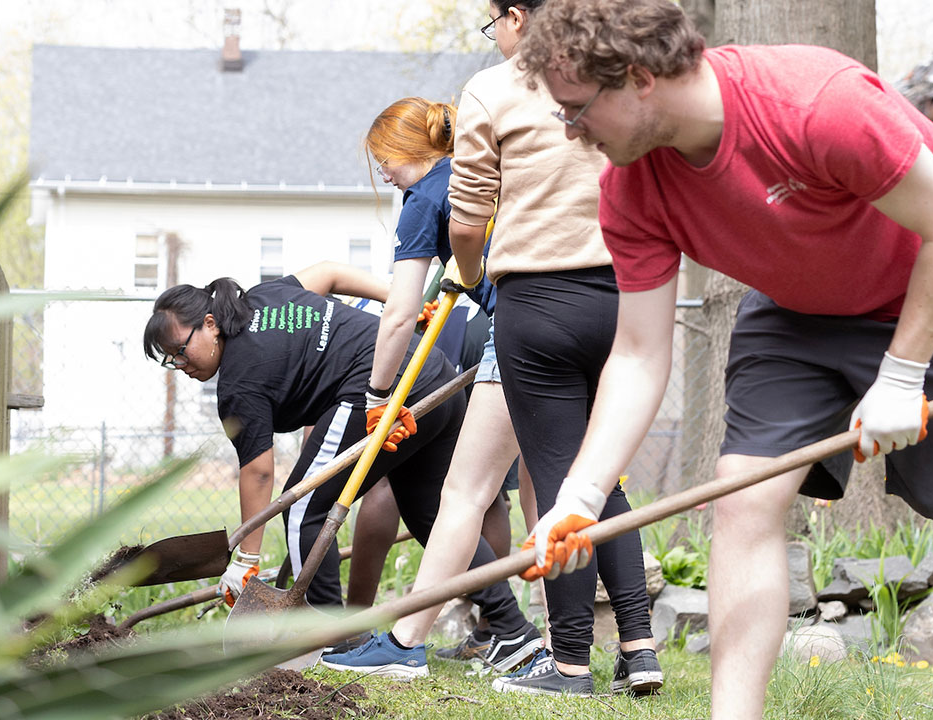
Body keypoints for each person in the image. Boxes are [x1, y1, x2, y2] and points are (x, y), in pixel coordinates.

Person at [511, 1, 933, 718]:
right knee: (743, 499)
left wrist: (902, 375)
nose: (572, 131)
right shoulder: (632, 191)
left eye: (576, 110)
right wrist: (580, 497)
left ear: (637, 77)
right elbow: (639, 353)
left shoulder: (814, 104)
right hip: (798, 308)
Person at [354, 0, 661, 698]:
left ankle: (563, 660)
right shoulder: (619, 74)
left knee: (535, 485)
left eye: (495, 23)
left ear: (519, 16)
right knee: (598, 477)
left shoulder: (496, 90)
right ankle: (637, 647)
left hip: (533, 306)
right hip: (623, 294)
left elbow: (467, 224)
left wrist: (472, 273)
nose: (496, 38)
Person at [142, 262, 529, 677]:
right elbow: (329, 273)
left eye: (180, 350)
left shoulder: (239, 380)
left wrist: (246, 560)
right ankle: (511, 628)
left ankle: (339, 639)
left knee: (302, 509)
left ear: (210, 324)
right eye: (169, 360)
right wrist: (400, 302)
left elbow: (258, 474)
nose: (179, 364)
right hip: (428, 370)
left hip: (381, 390)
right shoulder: (265, 297)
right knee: (435, 518)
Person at [322, 96, 546, 674]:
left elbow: (397, 313)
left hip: (515, 326)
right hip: (570, 314)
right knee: (512, 488)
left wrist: (375, 394)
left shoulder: (423, 197)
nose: (385, 177)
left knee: (465, 493)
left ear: (405, 152)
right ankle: (557, 641)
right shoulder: (472, 178)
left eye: (384, 164)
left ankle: (406, 645)